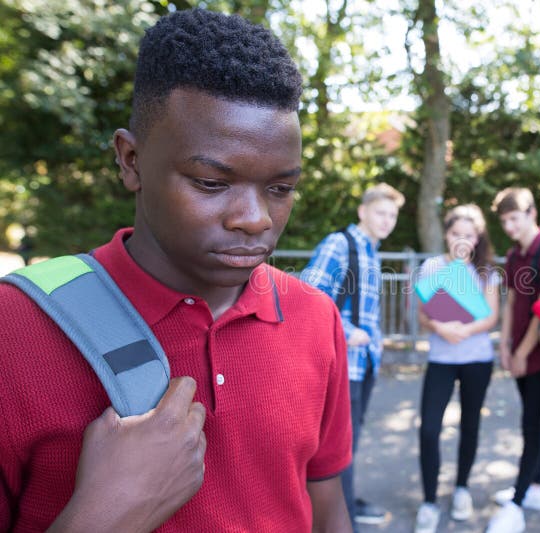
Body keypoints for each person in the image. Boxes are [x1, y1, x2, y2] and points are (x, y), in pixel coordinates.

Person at [0, 9, 353, 532]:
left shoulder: (314, 316)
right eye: (211, 183)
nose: (255, 219)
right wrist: (105, 513)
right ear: (131, 160)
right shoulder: (14, 327)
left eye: (280, 189)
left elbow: (325, 504)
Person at [300, 183, 404, 531]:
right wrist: (347, 333)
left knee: (348, 442)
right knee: (338, 447)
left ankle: (345, 504)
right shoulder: (340, 244)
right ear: (363, 211)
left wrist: (376, 341)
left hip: (365, 364)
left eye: (392, 215)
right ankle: (339, 522)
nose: (387, 220)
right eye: (380, 212)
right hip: (342, 364)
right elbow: (310, 298)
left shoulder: (371, 251)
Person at [414, 204, 501, 533]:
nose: (461, 239)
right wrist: (440, 328)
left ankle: (462, 487)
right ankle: (428, 501)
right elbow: (423, 315)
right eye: (455, 233)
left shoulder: (486, 272)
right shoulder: (432, 267)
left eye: (468, 234)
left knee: (470, 424)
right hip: (441, 359)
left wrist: (463, 330)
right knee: (429, 430)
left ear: (477, 238)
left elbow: (491, 317)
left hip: (477, 360)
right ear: (446, 234)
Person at [486, 188, 540, 533]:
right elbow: (514, 301)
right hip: (518, 352)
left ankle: (516, 503)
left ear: (532, 213)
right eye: (504, 221)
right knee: (533, 422)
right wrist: (504, 345)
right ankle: (538, 488)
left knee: (532, 425)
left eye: (514, 218)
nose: (510, 226)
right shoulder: (515, 255)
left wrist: (520, 352)